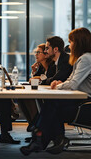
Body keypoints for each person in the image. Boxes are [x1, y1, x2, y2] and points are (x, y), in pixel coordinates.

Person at [20, 27, 91, 156]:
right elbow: (70, 80)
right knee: (51, 104)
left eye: (72, 41)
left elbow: (73, 84)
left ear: (79, 42)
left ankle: (41, 136)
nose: (70, 45)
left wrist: (58, 86)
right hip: (81, 101)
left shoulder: (86, 58)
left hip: (85, 106)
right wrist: (61, 84)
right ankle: (46, 138)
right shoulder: (82, 58)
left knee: (51, 105)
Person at [18, 44, 56, 131]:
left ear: (46, 54)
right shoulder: (41, 67)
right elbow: (33, 80)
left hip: (51, 95)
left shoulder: (53, 66)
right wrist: (34, 72)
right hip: (43, 93)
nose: (36, 55)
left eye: (38, 52)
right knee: (21, 97)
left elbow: (49, 79)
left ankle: (37, 125)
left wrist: (38, 78)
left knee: (28, 98)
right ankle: (33, 124)